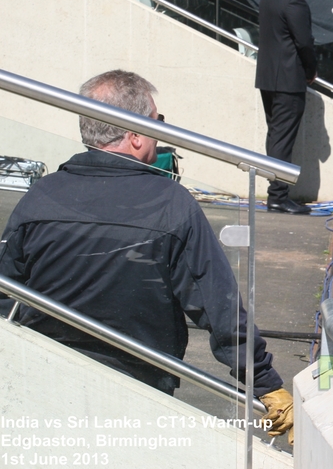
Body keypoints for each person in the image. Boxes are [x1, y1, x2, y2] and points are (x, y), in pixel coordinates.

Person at [0, 70, 295, 444]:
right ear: (136, 135)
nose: (161, 131)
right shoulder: (170, 204)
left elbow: (5, 291)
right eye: (158, 121)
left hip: (44, 381)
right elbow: (216, 305)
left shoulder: (41, 195)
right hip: (140, 387)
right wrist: (265, 383)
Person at [256, 0, 315, 215]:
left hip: (269, 77)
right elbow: (304, 42)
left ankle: (277, 193)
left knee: (276, 136)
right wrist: (311, 69)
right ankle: (278, 196)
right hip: (288, 80)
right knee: (281, 139)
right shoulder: (293, 0)